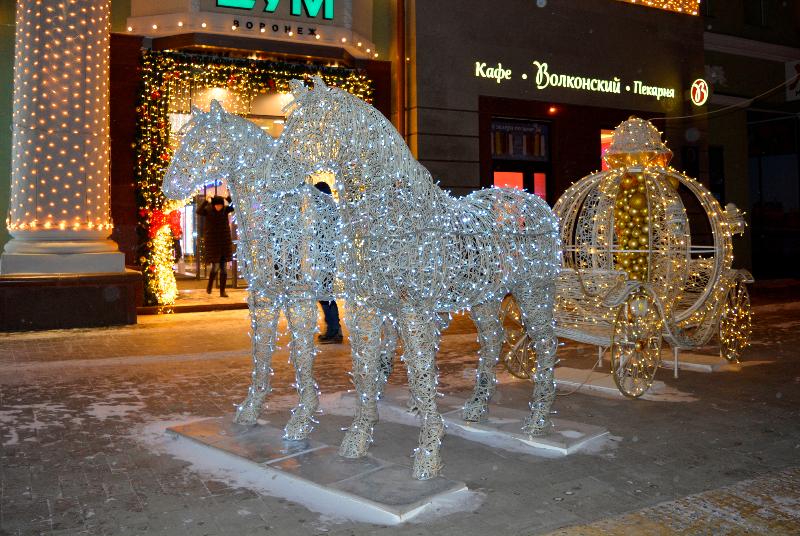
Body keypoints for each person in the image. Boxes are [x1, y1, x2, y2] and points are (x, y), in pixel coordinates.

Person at [314, 181, 343, 344]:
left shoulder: (326, 211)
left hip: (326, 259)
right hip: (324, 258)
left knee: (325, 295)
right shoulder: (326, 209)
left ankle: (334, 330)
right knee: (324, 295)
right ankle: (334, 328)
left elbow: (327, 237)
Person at [197, 194, 234, 297]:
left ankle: (222, 291)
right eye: (217, 205)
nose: (219, 207)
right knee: (215, 267)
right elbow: (199, 211)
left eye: (220, 205)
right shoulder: (208, 210)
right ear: (213, 205)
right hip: (213, 244)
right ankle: (209, 285)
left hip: (224, 244)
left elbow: (235, 206)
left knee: (224, 269)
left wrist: (227, 198)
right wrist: (205, 200)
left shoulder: (225, 210)